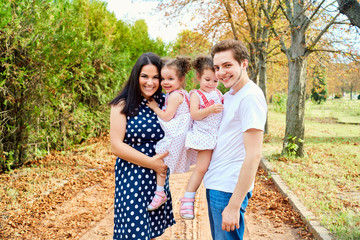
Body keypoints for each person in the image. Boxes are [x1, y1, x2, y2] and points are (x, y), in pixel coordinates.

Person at [203, 39, 267, 240]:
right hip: (217, 183)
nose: (221, 72)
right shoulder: (230, 94)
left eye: (228, 65)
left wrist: (234, 205)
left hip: (229, 189)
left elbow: (254, 155)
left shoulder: (250, 97)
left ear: (244, 64)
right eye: (217, 67)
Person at [109, 52, 175, 240]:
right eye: (145, 76)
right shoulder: (122, 104)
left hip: (157, 181)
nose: (150, 82)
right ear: (136, 76)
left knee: (151, 233)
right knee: (133, 234)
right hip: (131, 176)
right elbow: (116, 146)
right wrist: (152, 163)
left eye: (156, 77)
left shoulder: (164, 102)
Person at [146, 56, 197, 211]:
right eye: (162, 78)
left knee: (160, 160)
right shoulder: (180, 93)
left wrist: (155, 107)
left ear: (181, 79)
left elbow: (167, 116)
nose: (165, 82)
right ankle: (160, 192)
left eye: (170, 78)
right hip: (180, 132)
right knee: (163, 163)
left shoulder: (175, 96)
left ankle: (160, 192)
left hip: (176, 134)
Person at [180, 56, 224, 220]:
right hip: (204, 136)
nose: (211, 84)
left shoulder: (218, 93)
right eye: (207, 80)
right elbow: (195, 115)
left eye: (215, 80)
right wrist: (211, 109)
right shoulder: (196, 94)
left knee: (213, 169)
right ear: (198, 77)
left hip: (217, 136)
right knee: (201, 168)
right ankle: (187, 200)